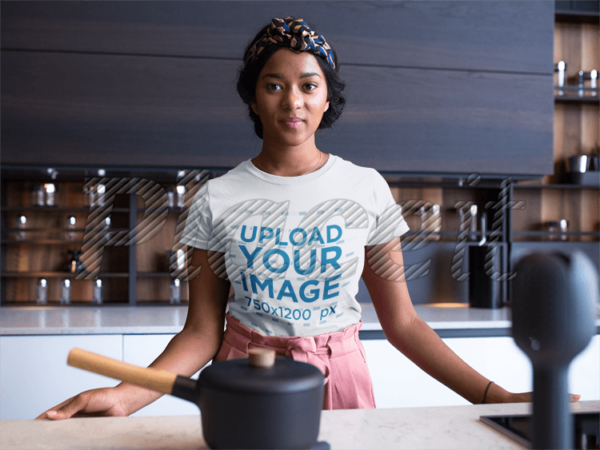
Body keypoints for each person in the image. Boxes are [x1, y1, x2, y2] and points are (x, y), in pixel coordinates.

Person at [37, 16, 580, 419]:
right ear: (253, 98)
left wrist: (494, 397)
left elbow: (404, 324)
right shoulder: (216, 198)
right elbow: (202, 333)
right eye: (274, 84)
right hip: (244, 377)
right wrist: (125, 397)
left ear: (326, 100)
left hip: (338, 377)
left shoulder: (365, 188)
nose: (291, 100)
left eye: (308, 85)